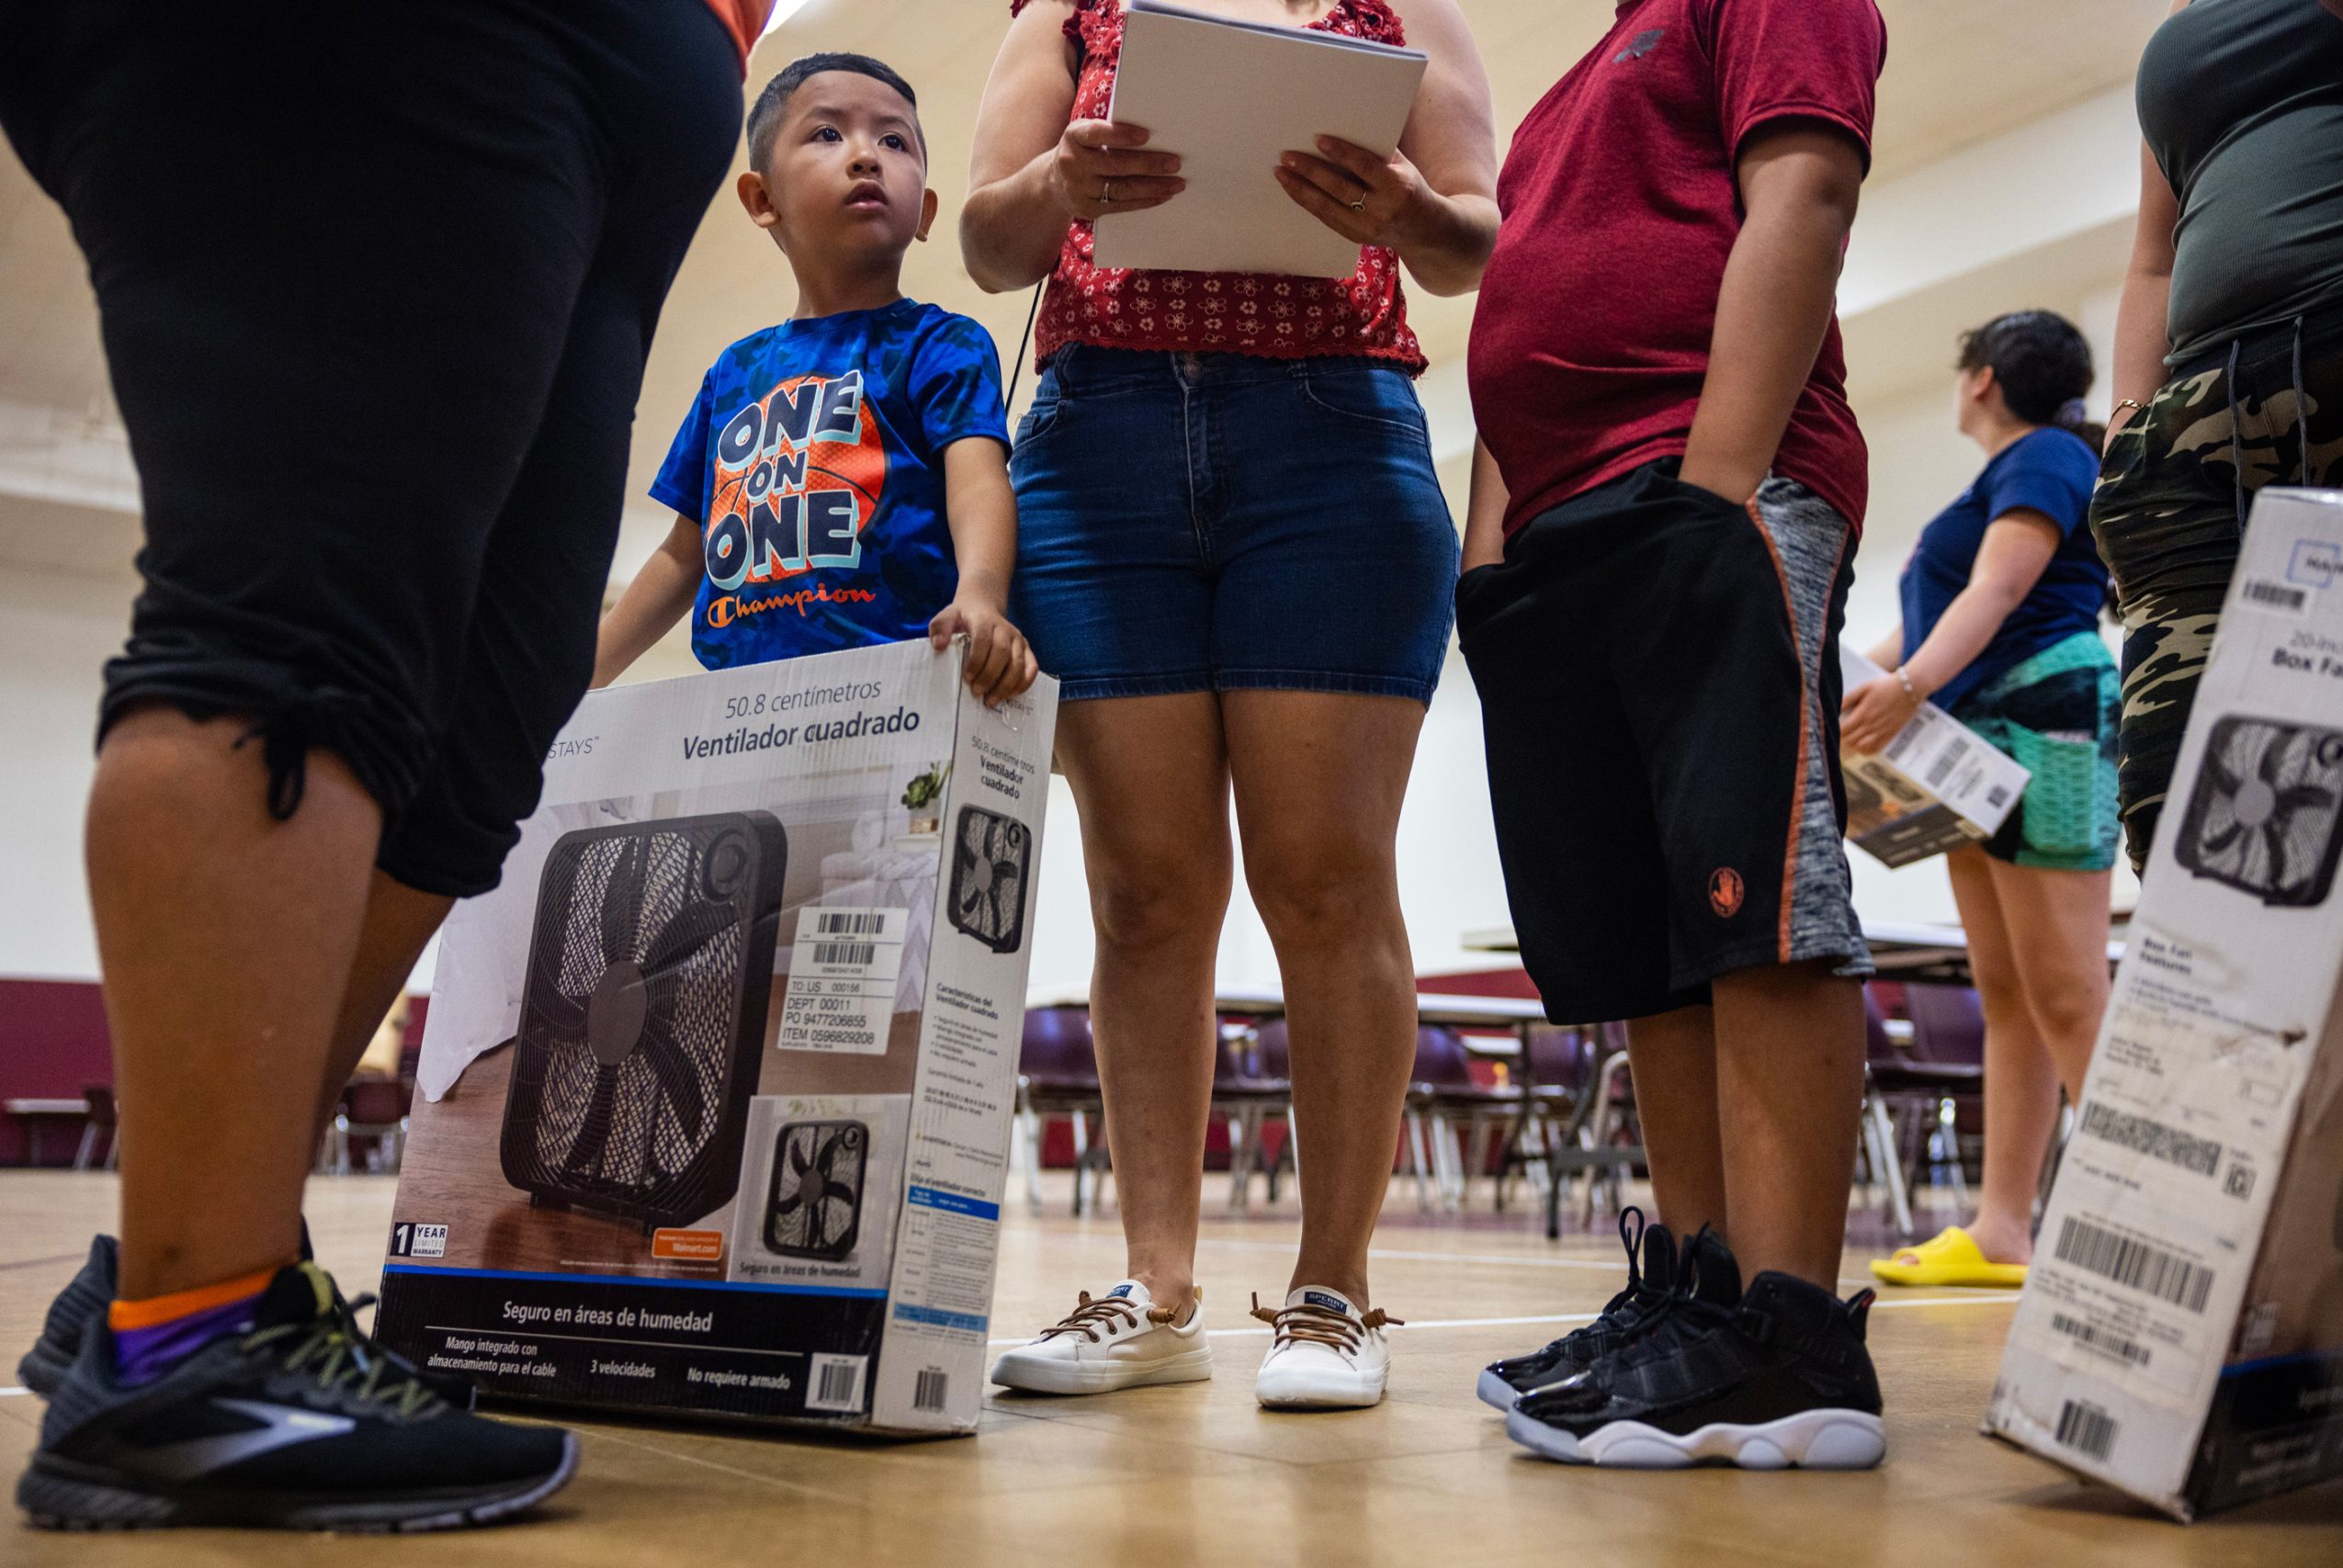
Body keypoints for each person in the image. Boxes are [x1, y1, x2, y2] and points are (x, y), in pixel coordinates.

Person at [0, 0, 763, 1531]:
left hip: (612, 98)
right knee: (299, 619)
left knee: (482, 709)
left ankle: (216, 1267)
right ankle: (191, 1338)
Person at [963, 0, 1496, 1410]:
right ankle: (1156, 1286)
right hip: (1098, 443)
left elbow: (1476, 244)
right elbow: (987, 240)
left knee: (1325, 874)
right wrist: (1064, 182)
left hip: (1330, 436)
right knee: (1142, 887)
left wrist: (1398, 208)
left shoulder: (1392, 9)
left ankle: (1332, 1291)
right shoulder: (1067, 11)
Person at [1456, 0, 1891, 1469]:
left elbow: (1806, 194)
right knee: (1647, 933)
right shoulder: (1566, 89)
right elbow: (1513, 327)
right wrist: (1488, 560)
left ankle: (1795, 1333)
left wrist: (1715, 487)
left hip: (1701, 491)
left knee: (1752, 894)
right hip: (1560, 537)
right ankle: (1698, 1297)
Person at [594, 53, 1038, 707]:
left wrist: (981, 593)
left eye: (895, 141)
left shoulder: (941, 343)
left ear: (925, 212)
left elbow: (978, 482)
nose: (867, 156)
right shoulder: (733, 373)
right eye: (828, 134)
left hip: (897, 687)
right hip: (736, 708)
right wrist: (577, 677)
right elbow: (682, 556)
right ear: (763, 198)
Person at [1843, 311, 2117, 1291]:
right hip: (1970, 739)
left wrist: (1906, 687)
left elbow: (1998, 592)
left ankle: (2146, 1222)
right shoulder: (2010, 470)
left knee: (2068, 992)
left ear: (1982, 380)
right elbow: (1916, 630)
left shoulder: (2043, 456)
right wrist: (1833, 687)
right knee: (2005, 989)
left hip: (2045, 720)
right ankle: (2002, 1229)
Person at [2094, 0, 2343, 874]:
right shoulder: (2185, 12)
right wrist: (2127, 435)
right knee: (2185, 829)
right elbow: (2153, 255)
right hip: (2195, 439)